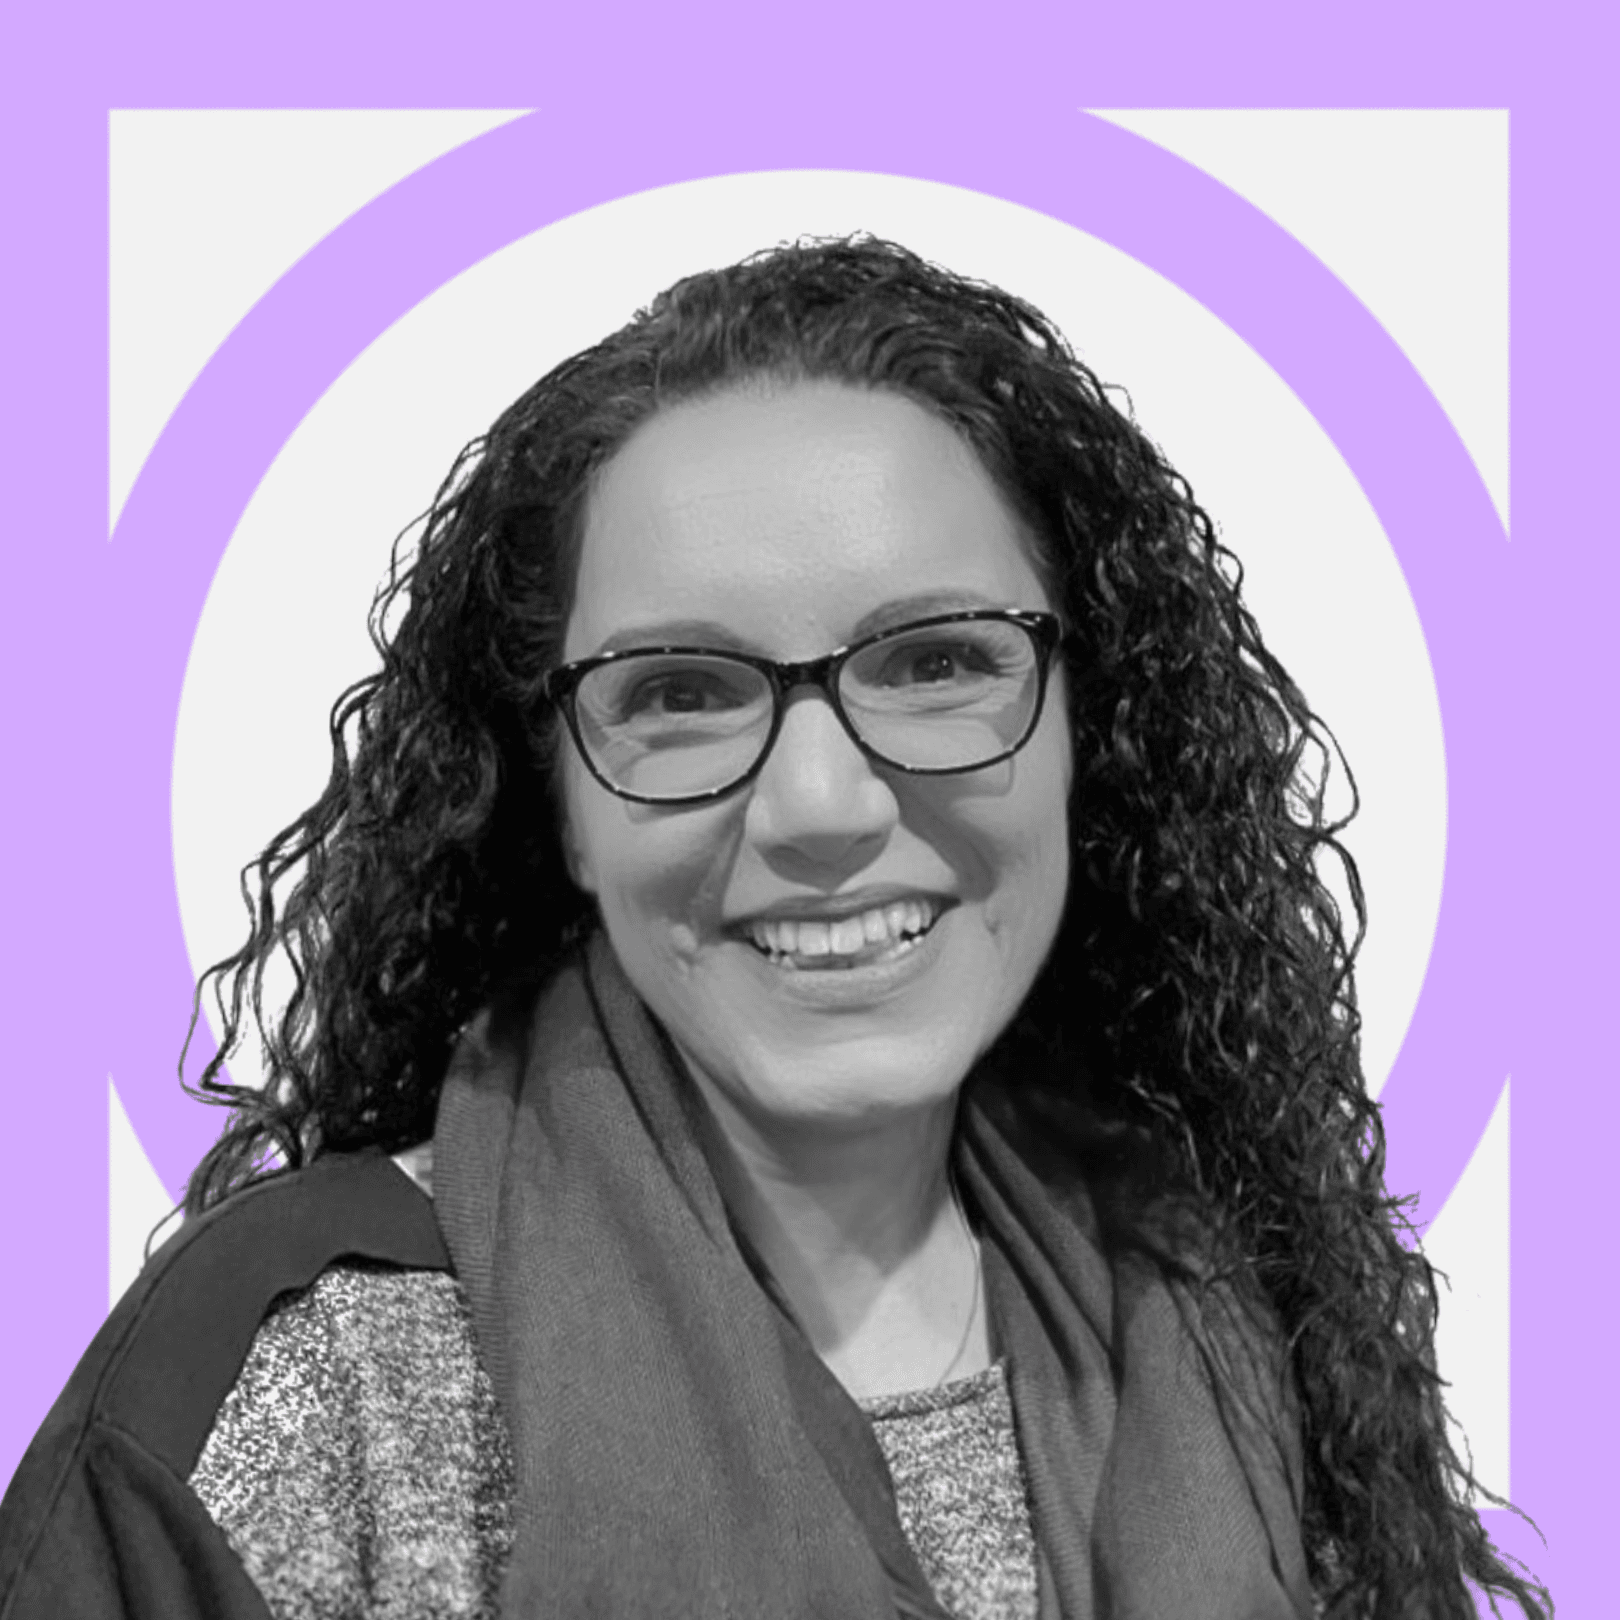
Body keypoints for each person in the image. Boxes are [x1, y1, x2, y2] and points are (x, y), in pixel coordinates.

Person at [0, 237, 1548, 1619]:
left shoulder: (1228, 1318)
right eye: (680, 692)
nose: (820, 804)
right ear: (559, 801)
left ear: (1094, 735)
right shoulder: (296, 1396)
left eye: (936, 664)